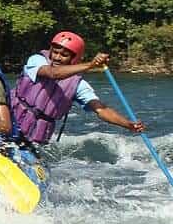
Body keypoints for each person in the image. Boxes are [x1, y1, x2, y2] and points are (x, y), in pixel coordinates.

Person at [11, 31, 145, 144]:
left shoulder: (78, 85)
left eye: (64, 55)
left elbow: (101, 110)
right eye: (55, 52)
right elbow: (52, 73)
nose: (57, 57)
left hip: (34, 138)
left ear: (74, 59)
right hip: (10, 123)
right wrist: (91, 65)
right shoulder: (36, 60)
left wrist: (128, 125)